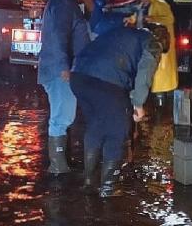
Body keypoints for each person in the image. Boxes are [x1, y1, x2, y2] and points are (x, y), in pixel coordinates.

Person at [70, 24, 170, 197]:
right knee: (117, 131)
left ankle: (88, 181)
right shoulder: (153, 43)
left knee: (96, 125)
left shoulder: (124, 31)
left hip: (79, 76)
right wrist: (138, 104)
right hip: (106, 81)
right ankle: (108, 187)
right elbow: (144, 72)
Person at [38, 0, 98, 175]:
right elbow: (58, 35)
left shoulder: (68, 2)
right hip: (59, 70)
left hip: (62, 68)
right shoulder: (64, 3)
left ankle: (63, 161)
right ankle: (57, 166)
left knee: (64, 115)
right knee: (61, 116)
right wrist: (64, 66)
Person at [135, 0, 178, 93]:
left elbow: (169, 19)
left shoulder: (160, 4)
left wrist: (154, 19)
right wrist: (131, 19)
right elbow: (138, 17)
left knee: (159, 74)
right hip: (147, 43)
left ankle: (160, 99)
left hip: (160, 44)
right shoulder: (143, 5)